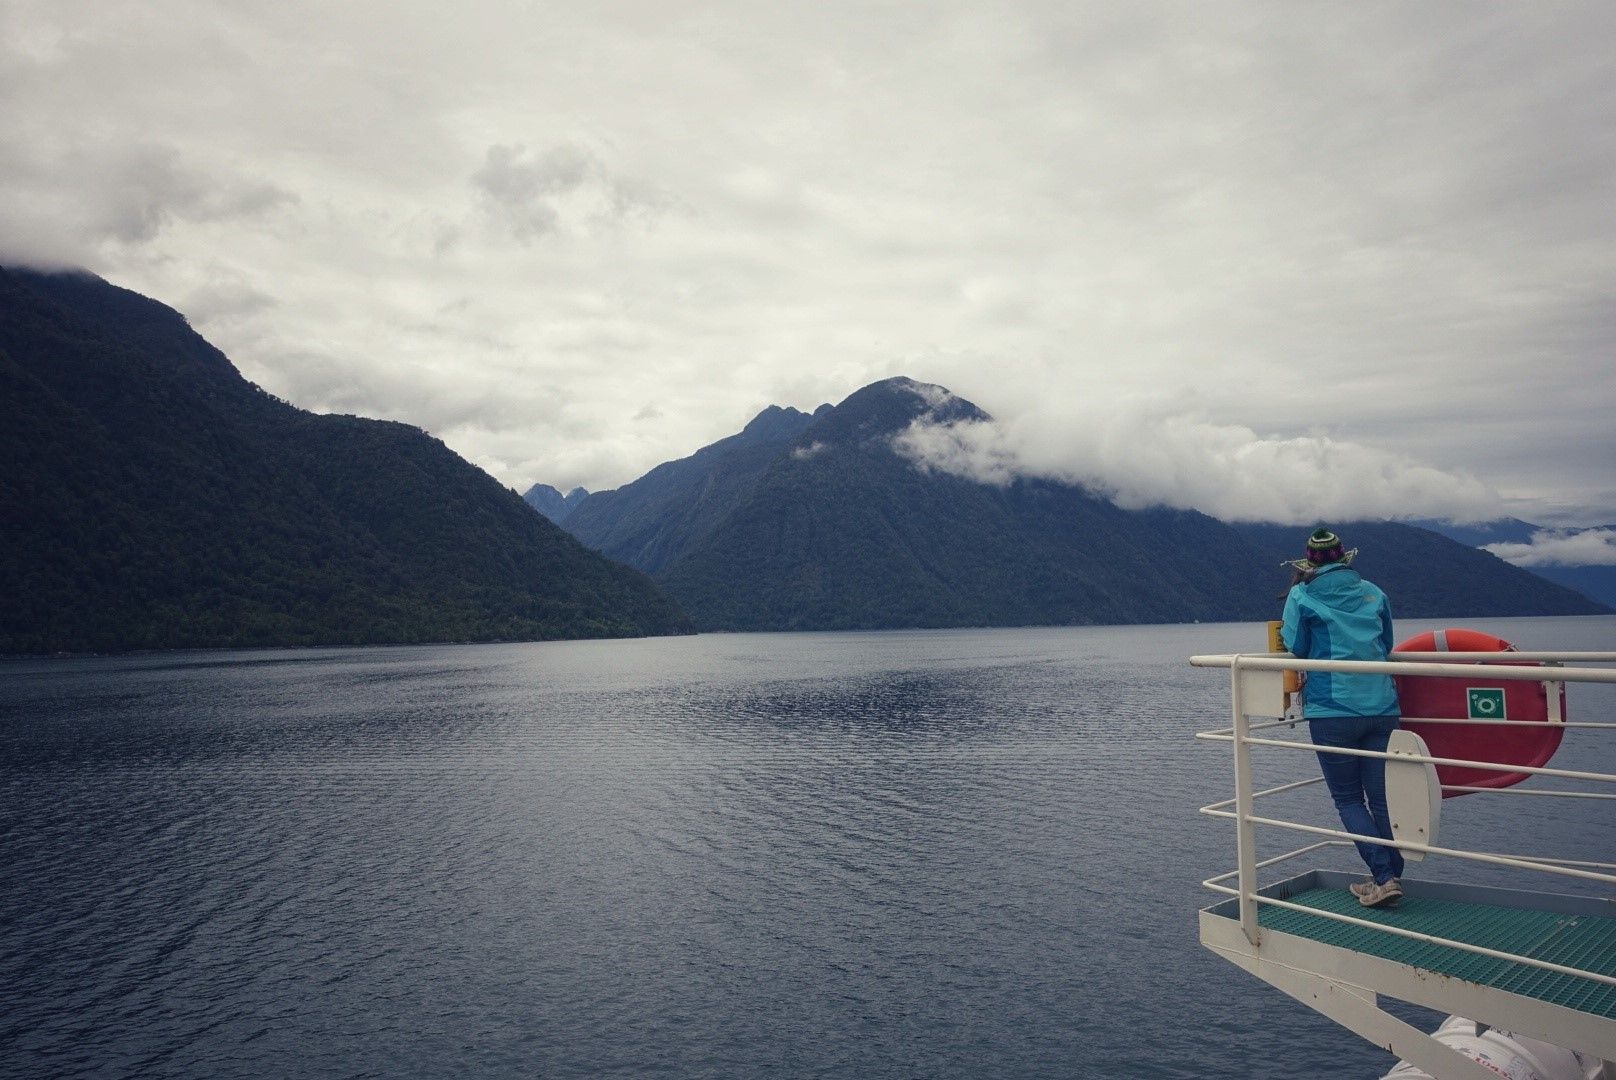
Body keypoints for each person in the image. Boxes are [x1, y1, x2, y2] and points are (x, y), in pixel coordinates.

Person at [1281, 527, 1404, 908]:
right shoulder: (1374, 593)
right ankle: (1389, 874)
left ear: (1309, 563)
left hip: (1333, 711)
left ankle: (1384, 877)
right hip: (1382, 706)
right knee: (1382, 800)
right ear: (1344, 558)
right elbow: (1386, 644)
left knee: (1349, 800)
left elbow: (1295, 645)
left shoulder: (1301, 595)